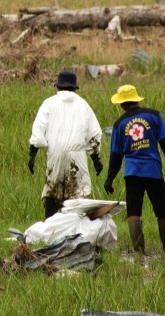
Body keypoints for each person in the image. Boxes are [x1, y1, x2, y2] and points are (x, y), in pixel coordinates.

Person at [103, 84, 165, 253]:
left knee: (134, 212)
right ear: (136, 99)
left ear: (122, 104)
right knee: (162, 210)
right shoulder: (154, 116)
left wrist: (110, 178)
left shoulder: (119, 124)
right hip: (153, 171)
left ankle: (139, 252)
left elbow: (115, 155)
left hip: (132, 173)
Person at [27, 70, 104, 219]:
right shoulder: (83, 105)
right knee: (78, 194)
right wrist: (95, 158)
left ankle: (49, 229)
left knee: (52, 190)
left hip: (55, 153)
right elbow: (94, 133)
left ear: (58, 86)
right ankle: (77, 229)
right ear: (75, 87)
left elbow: (38, 130)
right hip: (77, 155)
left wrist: (32, 154)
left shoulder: (48, 103)